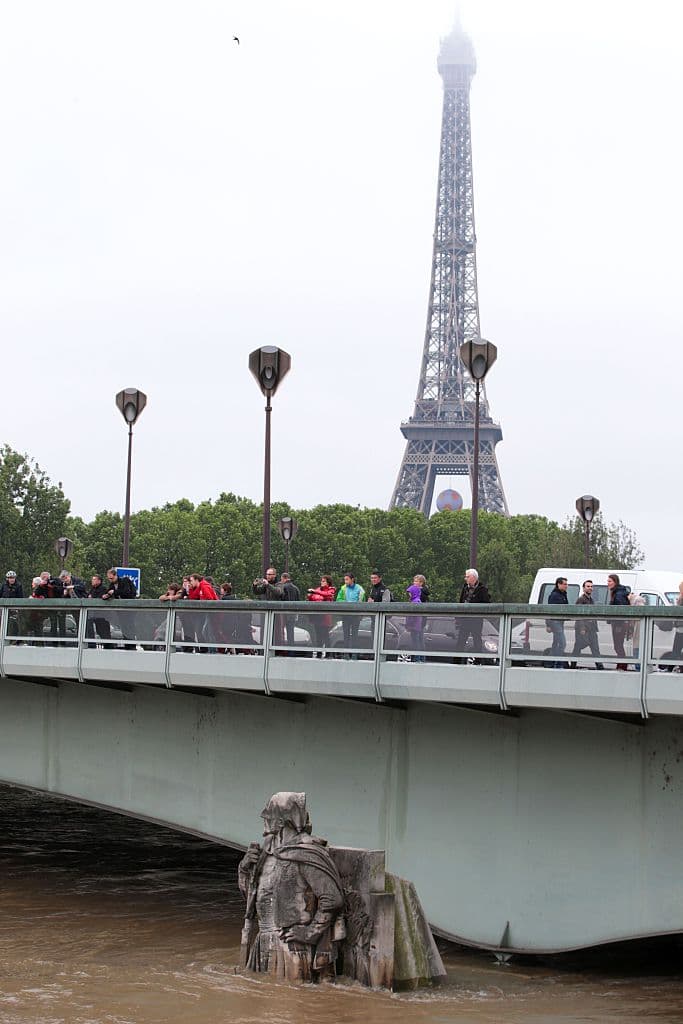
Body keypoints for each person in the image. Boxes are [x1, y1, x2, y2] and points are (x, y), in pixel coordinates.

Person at [238, 792, 345, 982]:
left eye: (269, 815)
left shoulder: (306, 853)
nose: (265, 820)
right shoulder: (267, 852)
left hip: (291, 948)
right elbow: (254, 899)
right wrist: (245, 869)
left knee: (292, 998)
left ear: (282, 821)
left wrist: (309, 933)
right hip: (263, 942)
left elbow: (332, 899)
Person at [456, 569, 490, 662]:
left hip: (476, 620)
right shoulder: (465, 588)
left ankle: (479, 662)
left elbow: (486, 604)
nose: (465, 578)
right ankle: (456, 662)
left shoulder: (482, 589)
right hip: (465, 620)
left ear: (473, 578)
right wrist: (458, 617)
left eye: (467, 577)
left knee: (477, 640)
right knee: (460, 641)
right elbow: (460, 602)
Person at [102, 568, 138, 649]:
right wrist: (106, 596)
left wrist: (114, 592)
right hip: (120, 610)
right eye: (109, 579)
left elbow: (127, 592)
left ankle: (132, 645)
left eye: (111, 578)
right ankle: (127, 645)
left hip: (129, 608)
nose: (110, 580)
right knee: (124, 627)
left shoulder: (125, 580)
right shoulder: (112, 585)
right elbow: (108, 592)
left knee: (130, 626)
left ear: (116, 576)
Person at [570, 580, 603, 669]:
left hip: (592, 629)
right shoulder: (581, 599)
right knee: (578, 647)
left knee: (595, 648)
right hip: (583, 629)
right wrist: (582, 628)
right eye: (588, 586)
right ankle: (572, 665)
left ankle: (600, 666)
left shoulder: (591, 600)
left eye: (591, 586)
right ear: (583, 588)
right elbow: (578, 614)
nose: (590, 588)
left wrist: (595, 627)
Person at [335, 573, 365, 657]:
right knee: (346, 635)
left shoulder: (360, 589)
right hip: (346, 615)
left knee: (355, 635)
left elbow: (362, 601)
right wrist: (347, 603)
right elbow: (338, 599)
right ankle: (346, 654)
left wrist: (360, 613)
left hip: (356, 615)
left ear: (352, 579)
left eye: (347, 579)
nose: (345, 581)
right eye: (345, 579)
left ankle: (354, 654)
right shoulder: (343, 588)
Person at [187, 573, 219, 651]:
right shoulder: (200, 587)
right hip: (206, 612)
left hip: (211, 613)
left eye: (191, 581)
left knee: (207, 632)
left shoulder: (204, 586)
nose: (190, 583)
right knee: (204, 631)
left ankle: (213, 651)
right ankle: (208, 650)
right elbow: (193, 597)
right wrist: (190, 589)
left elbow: (210, 599)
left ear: (196, 580)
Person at [306, 575, 336, 654]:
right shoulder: (318, 589)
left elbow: (327, 595)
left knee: (325, 635)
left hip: (325, 617)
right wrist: (309, 596)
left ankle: (329, 654)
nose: (321, 582)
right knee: (318, 635)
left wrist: (315, 592)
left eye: (323, 581)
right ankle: (319, 653)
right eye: (321, 581)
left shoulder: (331, 589)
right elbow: (313, 598)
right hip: (317, 616)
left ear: (328, 583)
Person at [607, 573, 630, 671]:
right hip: (619, 623)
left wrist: (619, 624)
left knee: (618, 646)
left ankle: (622, 665)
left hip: (618, 624)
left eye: (610, 581)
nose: (608, 583)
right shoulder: (618, 592)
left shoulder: (618, 594)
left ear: (615, 582)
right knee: (618, 645)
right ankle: (621, 664)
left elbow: (621, 610)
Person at [546, 576, 569, 668]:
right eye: (564, 584)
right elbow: (549, 610)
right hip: (555, 622)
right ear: (558, 584)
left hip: (560, 622)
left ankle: (550, 663)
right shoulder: (554, 595)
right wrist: (548, 624)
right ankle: (557, 663)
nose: (566, 586)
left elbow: (566, 607)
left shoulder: (563, 594)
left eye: (567, 584)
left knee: (556, 644)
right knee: (562, 643)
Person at [405, 574, 429, 662]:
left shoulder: (419, 595)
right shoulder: (421, 593)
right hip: (420, 620)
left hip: (418, 621)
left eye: (416, 581)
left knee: (417, 640)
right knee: (419, 640)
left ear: (421, 583)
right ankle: (421, 658)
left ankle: (417, 659)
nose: (414, 583)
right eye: (414, 581)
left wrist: (409, 624)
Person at [86, 573, 111, 647]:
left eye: (94, 579)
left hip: (102, 615)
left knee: (103, 632)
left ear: (99, 581)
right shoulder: (92, 589)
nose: (92, 581)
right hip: (94, 614)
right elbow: (88, 596)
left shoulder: (103, 589)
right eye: (92, 579)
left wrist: (92, 597)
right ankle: (92, 645)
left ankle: (109, 647)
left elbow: (99, 599)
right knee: (96, 630)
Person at [669, 581, 683, 671]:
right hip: (680, 628)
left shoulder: (681, 600)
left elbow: (677, 612)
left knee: (676, 650)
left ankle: (670, 668)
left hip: (681, 630)